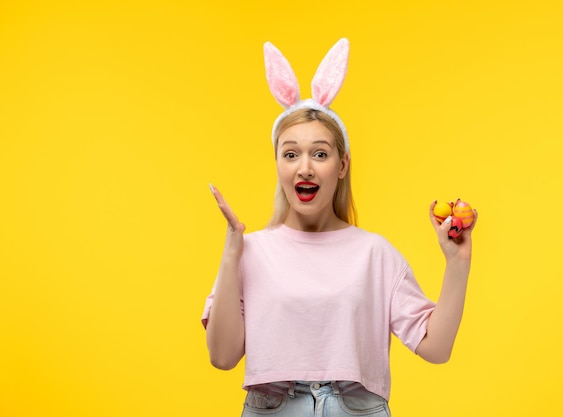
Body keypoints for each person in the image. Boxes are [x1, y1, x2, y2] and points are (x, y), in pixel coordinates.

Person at [201, 38, 477, 417]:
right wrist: (232, 253)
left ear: (342, 165)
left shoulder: (374, 253)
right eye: (291, 154)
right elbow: (222, 356)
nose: (305, 168)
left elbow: (436, 348)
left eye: (320, 153)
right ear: (278, 164)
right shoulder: (250, 251)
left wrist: (457, 263)